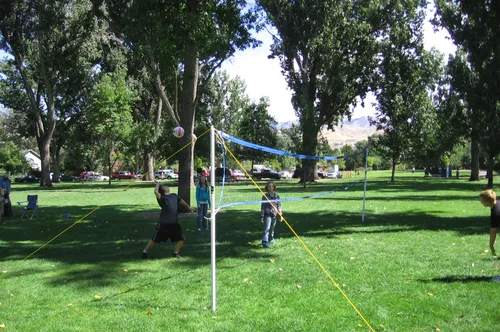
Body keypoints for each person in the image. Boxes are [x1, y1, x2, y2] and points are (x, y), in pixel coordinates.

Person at [142, 180, 192, 259]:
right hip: (164, 223)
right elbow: (155, 192)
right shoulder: (162, 198)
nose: (166, 186)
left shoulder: (174, 195)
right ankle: (145, 251)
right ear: (163, 190)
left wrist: (188, 207)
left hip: (174, 223)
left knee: (181, 239)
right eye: (164, 186)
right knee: (155, 240)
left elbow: (182, 201)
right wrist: (158, 183)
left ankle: (175, 253)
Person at [260, 181, 282, 248]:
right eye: (269, 186)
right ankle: (265, 242)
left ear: (274, 187)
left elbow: (279, 205)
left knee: (272, 228)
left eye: (272, 186)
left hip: (274, 214)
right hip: (267, 214)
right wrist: (262, 216)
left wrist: (280, 215)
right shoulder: (265, 196)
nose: (271, 187)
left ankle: (271, 239)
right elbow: (263, 206)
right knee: (267, 228)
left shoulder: (277, 196)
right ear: (267, 187)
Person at [479, 189, 500, 256]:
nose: (481, 202)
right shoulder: (498, 203)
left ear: (487, 202)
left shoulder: (495, 213)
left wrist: (491, 245)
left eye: (481, 201)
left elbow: (493, 231)